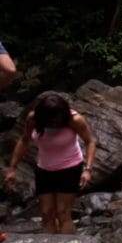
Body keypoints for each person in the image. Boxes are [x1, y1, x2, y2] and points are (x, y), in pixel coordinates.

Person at [4, 94, 96, 233]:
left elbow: (90, 142)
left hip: (70, 168)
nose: (54, 123)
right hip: (44, 169)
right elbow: (24, 140)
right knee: (46, 213)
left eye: (57, 120)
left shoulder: (75, 120)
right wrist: (12, 169)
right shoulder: (33, 119)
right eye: (51, 120)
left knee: (63, 212)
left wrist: (87, 169)